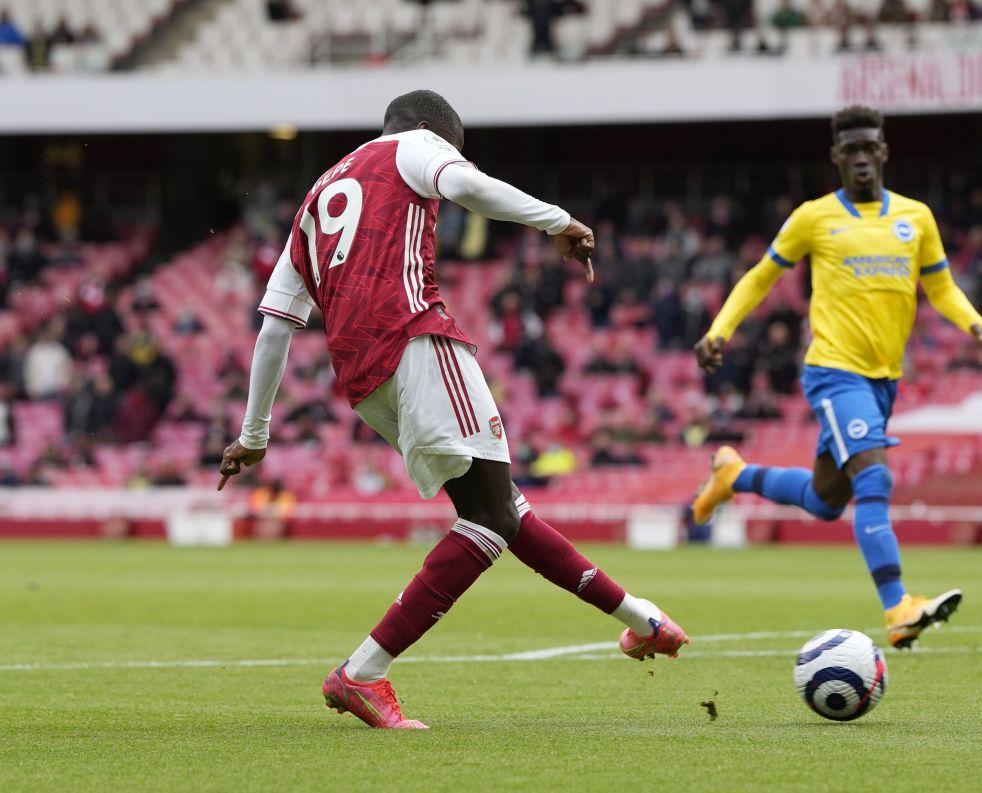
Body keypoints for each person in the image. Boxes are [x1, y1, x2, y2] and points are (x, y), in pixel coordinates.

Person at [217, 90, 689, 730]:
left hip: (362, 379)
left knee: (503, 511)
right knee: (493, 518)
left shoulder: (318, 194)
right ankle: (362, 672)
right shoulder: (416, 146)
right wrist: (557, 221)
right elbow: (468, 186)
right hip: (416, 339)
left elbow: (274, 327)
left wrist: (254, 433)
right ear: (432, 132)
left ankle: (644, 621)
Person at [690, 106, 982, 649]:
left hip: (884, 382)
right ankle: (898, 608)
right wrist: (721, 329)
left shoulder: (916, 218)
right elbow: (760, 278)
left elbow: (941, 288)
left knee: (824, 499)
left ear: (883, 152)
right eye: (850, 150)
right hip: (835, 373)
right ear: (836, 158)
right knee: (875, 479)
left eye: (870, 147)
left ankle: (733, 475)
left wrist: (975, 324)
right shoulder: (814, 217)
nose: (861, 158)